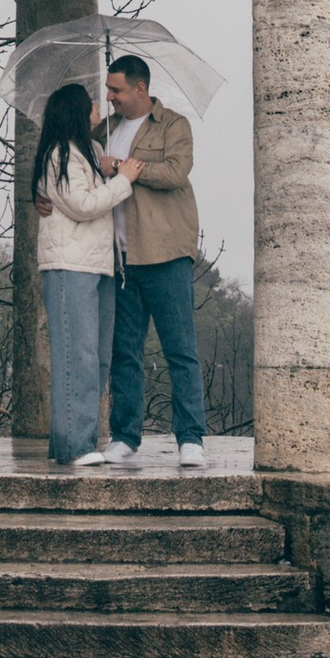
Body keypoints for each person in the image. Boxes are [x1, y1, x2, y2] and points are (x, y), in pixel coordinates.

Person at [99, 53, 210, 471]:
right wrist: (102, 163)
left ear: (140, 89)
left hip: (165, 252)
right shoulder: (104, 131)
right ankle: (125, 436)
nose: (110, 97)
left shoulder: (174, 125)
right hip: (120, 257)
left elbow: (175, 173)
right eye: (108, 90)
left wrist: (126, 169)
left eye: (116, 90)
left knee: (180, 348)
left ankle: (190, 438)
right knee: (123, 351)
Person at [30, 80, 133, 473]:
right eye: (91, 103)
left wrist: (108, 169)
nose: (98, 107)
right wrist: (125, 181)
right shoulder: (59, 154)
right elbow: (83, 205)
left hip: (98, 265)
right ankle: (75, 445)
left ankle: (68, 441)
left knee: (98, 358)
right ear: (75, 110)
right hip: (69, 265)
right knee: (77, 357)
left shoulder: (89, 150)